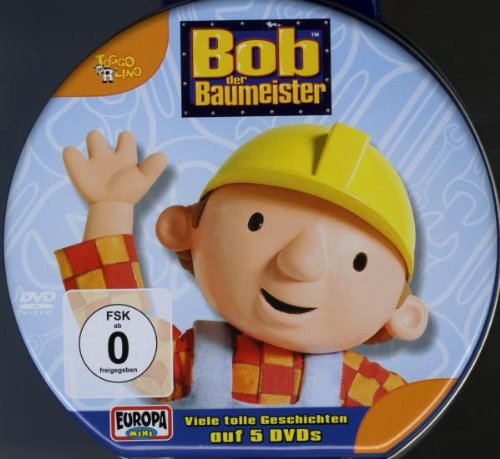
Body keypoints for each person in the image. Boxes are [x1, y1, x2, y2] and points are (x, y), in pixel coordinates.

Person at [55, 123, 430, 408]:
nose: (301, 264)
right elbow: (118, 339)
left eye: (358, 261)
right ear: (182, 230)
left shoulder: (366, 390)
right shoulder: (195, 360)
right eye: (257, 223)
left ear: (404, 315)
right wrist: (110, 209)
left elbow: (418, 428)